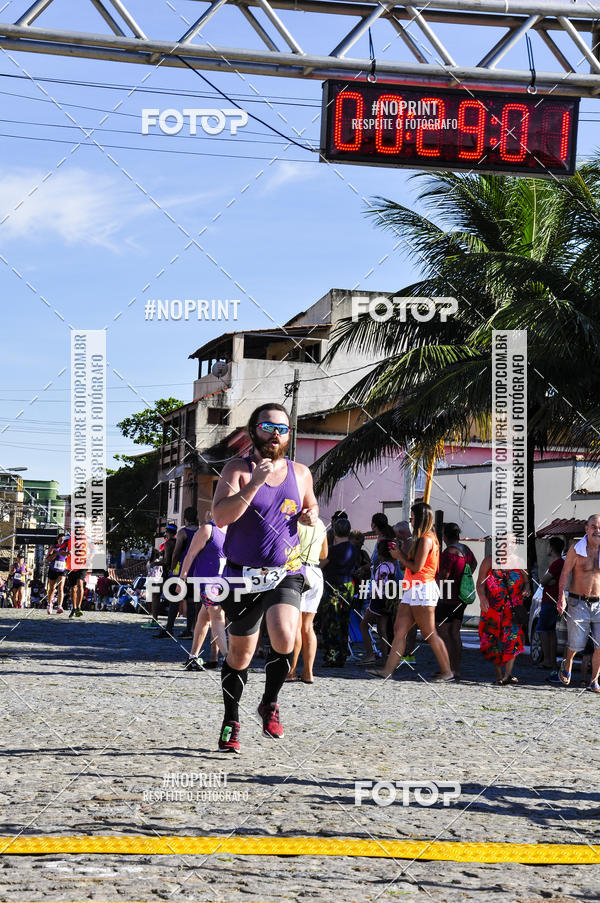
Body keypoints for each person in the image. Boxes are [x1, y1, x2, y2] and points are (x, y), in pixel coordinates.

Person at [212, 403, 318, 753]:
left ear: (289, 434)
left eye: (283, 429)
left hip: (286, 572)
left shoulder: (300, 472)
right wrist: (254, 485)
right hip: (243, 576)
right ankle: (231, 721)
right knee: (240, 656)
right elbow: (222, 517)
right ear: (254, 429)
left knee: (286, 636)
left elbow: (311, 505)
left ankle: (269, 702)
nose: (276, 434)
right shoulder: (236, 470)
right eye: (268, 426)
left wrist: (310, 514)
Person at [367, 502, 453, 681]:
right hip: (413, 589)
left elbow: (416, 567)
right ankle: (387, 670)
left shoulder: (425, 539)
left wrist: (399, 556)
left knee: (429, 632)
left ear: (420, 518)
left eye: (413, 517)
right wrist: (401, 553)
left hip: (422, 589)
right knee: (400, 630)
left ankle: (447, 671)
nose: (411, 520)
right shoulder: (424, 538)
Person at [556, 515, 600, 692]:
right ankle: (567, 664)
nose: (597, 530)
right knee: (576, 644)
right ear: (586, 529)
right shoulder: (576, 549)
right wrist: (561, 597)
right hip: (578, 602)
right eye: (594, 526)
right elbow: (565, 574)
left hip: (599, 603)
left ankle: (594, 680)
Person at [180, 513, 228, 671]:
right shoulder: (207, 529)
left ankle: (192, 657)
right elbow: (191, 554)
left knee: (204, 618)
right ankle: (228, 659)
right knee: (217, 614)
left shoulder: (231, 530)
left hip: (223, 583)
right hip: (207, 582)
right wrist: (182, 579)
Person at [476, 551, 530, 685]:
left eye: (512, 543)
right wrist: (482, 598)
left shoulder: (520, 562)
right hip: (493, 608)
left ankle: (507, 675)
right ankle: (499, 674)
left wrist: (527, 589)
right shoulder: (489, 561)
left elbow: (527, 582)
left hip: (513, 609)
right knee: (494, 641)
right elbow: (480, 582)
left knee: (512, 639)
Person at [286, 516, 328, 684]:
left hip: (298, 570)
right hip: (316, 572)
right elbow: (324, 554)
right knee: (308, 626)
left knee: (295, 626)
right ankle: (309, 672)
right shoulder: (320, 523)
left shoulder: (294, 521)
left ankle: (291, 671)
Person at [436, 523, 478, 681]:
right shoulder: (466, 549)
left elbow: (443, 576)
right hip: (462, 597)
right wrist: (464, 577)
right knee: (455, 633)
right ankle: (456, 669)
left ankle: (445, 669)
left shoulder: (448, 553)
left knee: (442, 632)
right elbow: (473, 564)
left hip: (447, 597)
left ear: (445, 536)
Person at [159, 508, 200, 639]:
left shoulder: (183, 532)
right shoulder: (201, 532)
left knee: (174, 600)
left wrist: (172, 567)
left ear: (185, 518)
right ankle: (189, 630)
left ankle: (169, 629)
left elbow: (176, 552)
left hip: (182, 569)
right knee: (191, 602)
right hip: (196, 569)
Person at [359, 538, 396, 665]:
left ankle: (370, 654)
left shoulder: (382, 567)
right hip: (388, 600)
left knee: (363, 625)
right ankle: (385, 657)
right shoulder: (393, 565)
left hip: (378, 599)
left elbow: (381, 584)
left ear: (379, 553)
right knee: (382, 630)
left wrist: (372, 594)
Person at [536, 536, 565, 669]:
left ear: (551, 548)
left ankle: (548, 660)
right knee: (550, 630)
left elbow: (543, 580)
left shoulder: (557, 563)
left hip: (550, 600)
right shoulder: (558, 563)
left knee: (542, 629)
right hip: (551, 599)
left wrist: (548, 580)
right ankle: (550, 660)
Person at [392, 520, 418, 663]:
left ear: (401, 533)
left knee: (404, 622)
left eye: (397, 534)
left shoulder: (408, 542)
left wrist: (397, 553)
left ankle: (405, 652)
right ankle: (408, 652)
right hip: (411, 584)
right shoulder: (413, 541)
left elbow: (404, 563)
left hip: (408, 584)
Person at [152, 524, 178, 637]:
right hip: (177, 573)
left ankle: (155, 621)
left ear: (167, 532)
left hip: (168, 573)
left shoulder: (168, 543)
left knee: (156, 594)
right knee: (175, 600)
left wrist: (155, 563)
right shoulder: (179, 541)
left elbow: (167, 561)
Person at [46, 533, 69, 614]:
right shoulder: (53, 548)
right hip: (53, 569)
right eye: (61, 540)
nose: (62, 541)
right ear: (58, 540)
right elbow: (47, 559)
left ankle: (59, 606)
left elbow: (69, 558)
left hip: (62, 570)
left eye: (64, 540)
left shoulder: (67, 548)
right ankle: (50, 604)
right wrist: (56, 554)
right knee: (52, 588)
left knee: (60, 588)